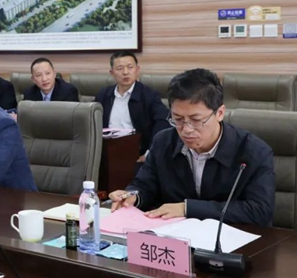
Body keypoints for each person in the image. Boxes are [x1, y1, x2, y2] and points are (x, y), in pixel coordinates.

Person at [109, 69, 275, 227]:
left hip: (233, 239)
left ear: (220, 113)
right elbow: (145, 185)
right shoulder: (163, 142)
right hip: (174, 236)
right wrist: (133, 196)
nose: (186, 129)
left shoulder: (253, 151)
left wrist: (187, 208)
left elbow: (260, 211)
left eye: (196, 120)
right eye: (178, 119)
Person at [94, 51, 170, 162]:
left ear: (137, 70)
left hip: (137, 153)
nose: (125, 72)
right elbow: (91, 121)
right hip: (106, 151)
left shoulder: (149, 96)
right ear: (112, 72)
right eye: (120, 68)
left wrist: (149, 153)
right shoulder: (104, 95)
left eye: (130, 67)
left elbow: (163, 122)